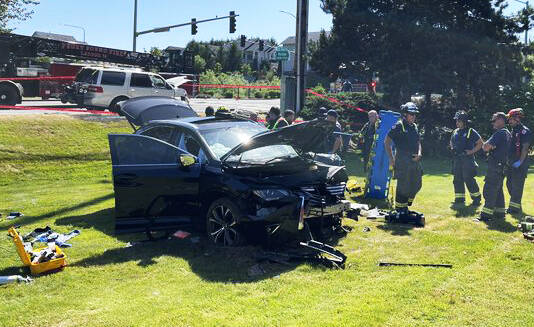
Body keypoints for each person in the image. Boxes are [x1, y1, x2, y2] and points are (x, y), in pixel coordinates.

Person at [384, 102, 422, 212]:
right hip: (402, 159)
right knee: (403, 185)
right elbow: (386, 142)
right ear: (405, 114)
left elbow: (418, 142)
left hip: (415, 160)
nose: (414, 116)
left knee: (417, 184)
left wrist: (419, 153)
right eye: (411, 114)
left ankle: (407, 203)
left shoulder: (414, 126)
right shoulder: (399, 126)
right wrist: (391, 159)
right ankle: (400, 209)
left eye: (415, 114)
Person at [476, 112, 511, 222]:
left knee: (489, 189)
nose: (492, 123)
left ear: (501, 120)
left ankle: (485, 216)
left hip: (496, 166)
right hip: (503, 166)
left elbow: (486, 147)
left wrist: (485, 144)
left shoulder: (499, 133)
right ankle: (500, 213)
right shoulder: (507, 133)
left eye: (494, 120)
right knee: (498, 189)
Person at [449, 110, 483, 207]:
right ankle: (459, 198)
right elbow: (451, 141)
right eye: (456, 121)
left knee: (468, 178)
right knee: (457, 179)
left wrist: (471, 152)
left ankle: (476, 198)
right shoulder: (455, 132)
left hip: (467, 159)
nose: (457, 122)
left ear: (464, 121)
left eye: (459, 121)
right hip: (457, 159)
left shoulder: (471, 131)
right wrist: (452, 148)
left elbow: (480, 143)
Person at [506, 108, 532, 214]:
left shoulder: (525, 131)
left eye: (511, 119)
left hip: (520, 162)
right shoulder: (513, 130)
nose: (509, 121)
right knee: (509, 184)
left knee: (517, 185)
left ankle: (514, 209)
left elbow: (525, 148)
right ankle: (516, 205)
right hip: (511, 161)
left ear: (517, 118)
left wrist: (520, 162)